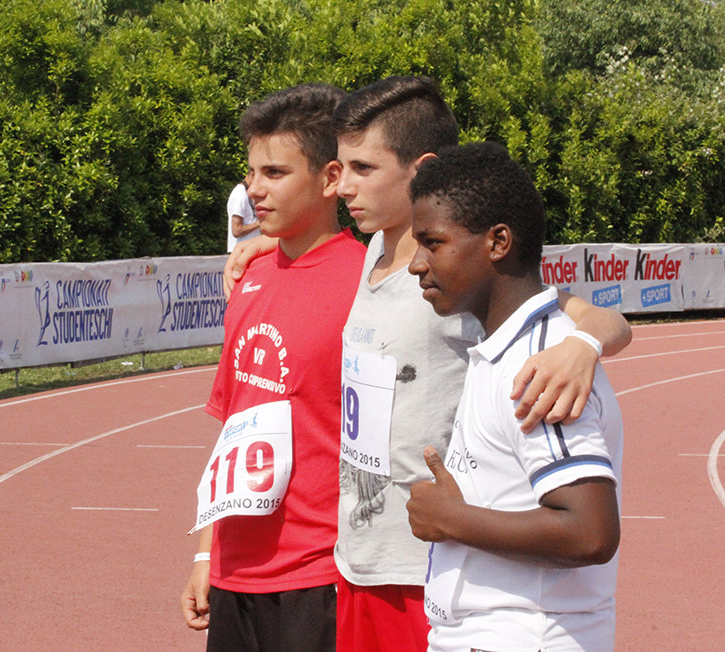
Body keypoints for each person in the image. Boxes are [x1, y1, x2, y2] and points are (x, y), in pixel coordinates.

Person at [225, 76, 631, 652]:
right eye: (342, 167)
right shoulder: (374, 249)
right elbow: (316, 244)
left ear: (422, 170)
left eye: (363, 169)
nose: (345, 185)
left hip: (427, 568)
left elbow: (593, 318)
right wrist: (269, 242)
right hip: (359, 559)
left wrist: (581, 346)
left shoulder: (456, 276)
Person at [406, 141, 622, 652]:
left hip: (525, 637)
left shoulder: (539, 366)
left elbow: (590, 532)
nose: (416, 264)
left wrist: (452, 519)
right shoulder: (510, 347)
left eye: (433, 243)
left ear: (498, 242)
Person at [180, 83, 367, 652]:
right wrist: (206, 554)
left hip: (319, 576)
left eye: (275, 173)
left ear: (331, 178)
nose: (254, 190)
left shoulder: (368, 284)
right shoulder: (247, 277)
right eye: (251, 173)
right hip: (234, 575)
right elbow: (234, 427)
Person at [226, 172, 260, 252]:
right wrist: (259, 223)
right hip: (241, 252)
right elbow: (236, 230)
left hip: (248, 250)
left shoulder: (246, 193)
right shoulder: (239, 195)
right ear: (252, 175)